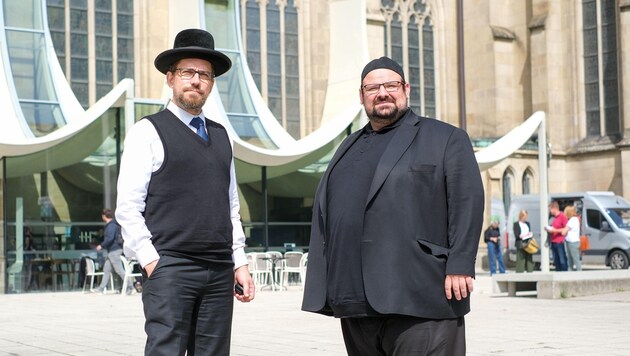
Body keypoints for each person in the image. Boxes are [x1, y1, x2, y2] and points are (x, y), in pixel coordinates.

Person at [301, 56, 485, 356]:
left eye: (391, 85)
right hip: (355, 300)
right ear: (361, 96)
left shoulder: (445, 137)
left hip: (420, 293)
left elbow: (468, 201)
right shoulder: (347, 145)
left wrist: (461, 264)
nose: (382, 93)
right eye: (373, 87)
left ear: (406, 89)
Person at [115, 28, 254, 356]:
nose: (196, 80)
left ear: (212, 83)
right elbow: (127, 206)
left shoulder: (222, 137)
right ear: (170, 78)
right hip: (172, 266)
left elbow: (229, 204)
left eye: (204, 74)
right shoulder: (147, 131)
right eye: (187, 72)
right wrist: (152, 263)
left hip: (219, 269)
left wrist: (240, 263)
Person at [91, 209, 127, 294]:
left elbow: (109, 238)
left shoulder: (111, 226)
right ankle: (101, 288)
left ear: (104, 216)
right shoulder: (113, 225)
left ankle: (130, 286)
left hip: (114, 250)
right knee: (106, 269)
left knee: (119, 270)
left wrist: (101, 245)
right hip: (112, 251)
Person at [545, 201, 568, 271]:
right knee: (556, 260)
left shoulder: (562, 216)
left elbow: (566, 229)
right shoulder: (552, 218)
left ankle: (564, 273)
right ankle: (558, 273)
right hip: (553, 241)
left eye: (550, 209)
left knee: (562, 260)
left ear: (555, 208)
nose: (550, 211)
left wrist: (555, 230)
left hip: (560, 241)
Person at [563, 205, 582, 271]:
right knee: (572, 260)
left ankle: (579, 274)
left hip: (572, 243)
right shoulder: (575, 219)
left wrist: (554, 230)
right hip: (573, 242)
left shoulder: (572, 220)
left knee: (574, 260)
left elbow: (564, 232)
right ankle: (571, 273)